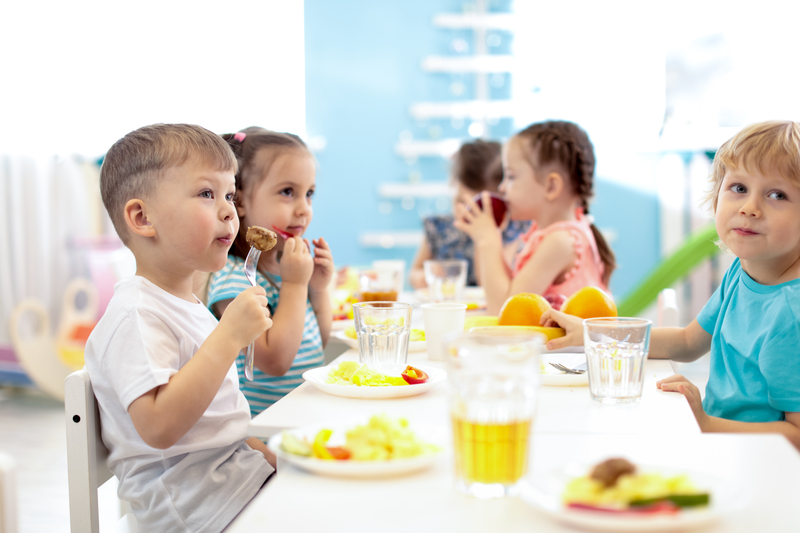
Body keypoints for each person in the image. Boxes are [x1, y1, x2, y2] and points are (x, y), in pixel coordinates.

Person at [542, 121, 800, 450]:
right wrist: (595, 334)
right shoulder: (743, 271)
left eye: (777, 194)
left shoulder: (792, 314)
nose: (750, 207)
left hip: (762, 464)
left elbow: (796, 437)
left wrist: (706, 425)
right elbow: (687, 341)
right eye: (738, 188)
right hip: (725, 445)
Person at [84, 123, 275, 531]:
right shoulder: (136, 315)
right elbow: (160, 427)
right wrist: (229, 335)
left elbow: (221, 428)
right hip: (195, 510)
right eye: (207, 194)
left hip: (235, 483)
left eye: (229, 194)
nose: (230, 210)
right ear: (142, 217)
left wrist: (275, 458)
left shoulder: (187, 304)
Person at [207, 127, 332, 415]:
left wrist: (318, 289)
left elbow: (316, 346)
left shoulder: (284, 271)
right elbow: (275, 362)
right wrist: (296, 286)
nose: (304, 209)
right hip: (265, 433)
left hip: (306, 417)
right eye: (288, 192)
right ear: (238, 201)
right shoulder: (235, 278)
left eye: (309, 194)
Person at [454, 121, 616, 315]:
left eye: (512, 176)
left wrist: (488, 241)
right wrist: (490, 237)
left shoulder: (560, 241)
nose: (502, 188)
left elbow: (504, 311)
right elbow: (507, 292)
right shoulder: (554, 234)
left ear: (551, 187)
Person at [409, 139, 530, 289]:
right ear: (452, 184)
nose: (467, 212)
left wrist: (483, 237)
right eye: (460, 201)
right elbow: (414, 272)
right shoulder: (439, 228)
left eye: (478, 207)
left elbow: (488, 286)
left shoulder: (513, 231)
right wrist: (421, 277)